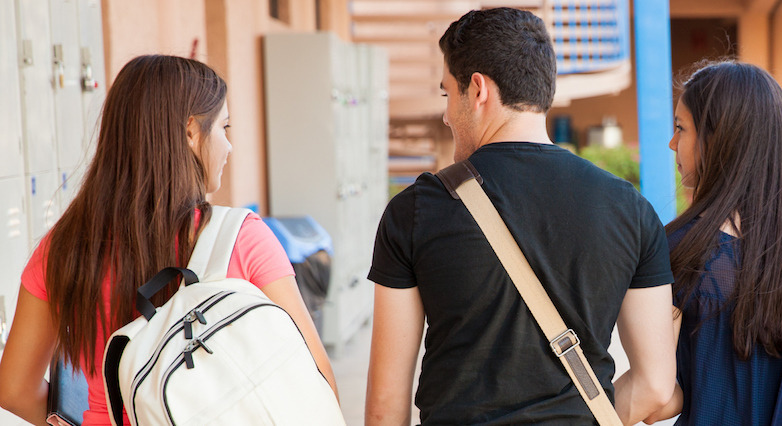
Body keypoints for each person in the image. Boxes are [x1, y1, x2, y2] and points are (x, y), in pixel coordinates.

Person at [363, 8, 675, 425]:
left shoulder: (416, 211)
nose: (444, 114)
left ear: (477, 90)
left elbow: (386, 406)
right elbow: (656, 387)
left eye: (446, 94)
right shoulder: (630, 210)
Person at [0, 55, 336, 425]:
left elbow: (15, 389)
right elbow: (315, 374)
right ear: (191, 131)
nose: (228, 147)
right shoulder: (240, 237)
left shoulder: (63, 248)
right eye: (224, 128)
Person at [644, 61, 782, 425]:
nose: (672, 144)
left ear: (718, 140)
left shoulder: (680, 249)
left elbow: (660, 399)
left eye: (681, 128)